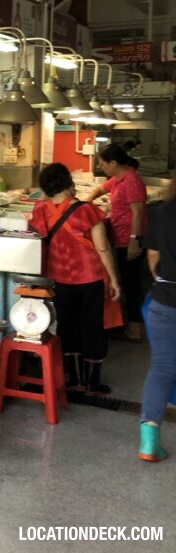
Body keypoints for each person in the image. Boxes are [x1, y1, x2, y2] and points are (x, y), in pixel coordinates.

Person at [30, 163, 121, 395]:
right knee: (93, 326)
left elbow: (38, 236)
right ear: (69, 182)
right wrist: (114, 279)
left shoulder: (41, 209)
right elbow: (102, 248)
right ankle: (92, 383)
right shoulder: (87, 210)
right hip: (90, 276)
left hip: (59, 277)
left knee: (68, 325)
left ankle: (75, 379)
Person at [84, 143, 147, 342]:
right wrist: (85, 203)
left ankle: (135, 329)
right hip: (120, 236)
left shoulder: (131, 181)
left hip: (130, 238)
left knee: (131, 284)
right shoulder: (118, 178)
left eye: (103, 163)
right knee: (127, 281)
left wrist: (134, 241)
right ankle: (130, 323)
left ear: (114, 162)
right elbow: (100, 189)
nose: (101, 167)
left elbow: (138, 213)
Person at [138, 173, 176, 462]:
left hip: (164, 300)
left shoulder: (163, 211)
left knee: (162, 367)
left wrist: (163, 280)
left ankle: (149, 442)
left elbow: (152, 256)